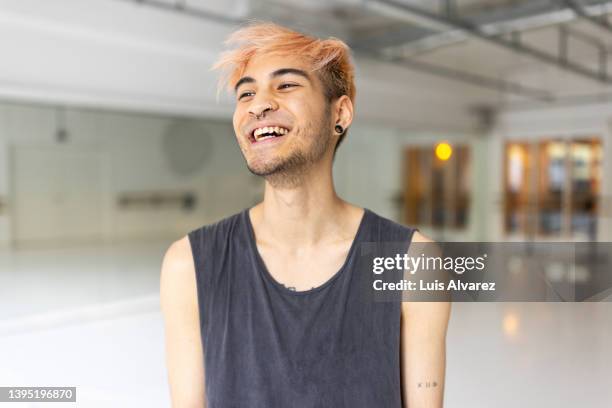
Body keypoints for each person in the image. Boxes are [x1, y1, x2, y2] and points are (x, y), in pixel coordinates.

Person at [160, 21, 450, 408]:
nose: (258, 104)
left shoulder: (415, 262)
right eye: (245, 93)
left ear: (340, 114)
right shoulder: (189, 265)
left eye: (287, 85)